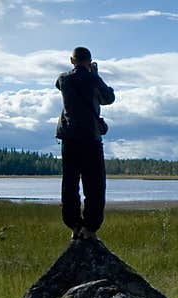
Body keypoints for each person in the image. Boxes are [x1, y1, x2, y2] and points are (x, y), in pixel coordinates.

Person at [55, 46, 115, 240]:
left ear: (72, 61)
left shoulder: (64, 78)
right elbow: (109, 98)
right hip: (91, 138)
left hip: (69, 139)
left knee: (70, 184)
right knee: (95, 185)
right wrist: (94, 74)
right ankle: (90, 228)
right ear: (90, 61)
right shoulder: (93, 78)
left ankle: (74, 226)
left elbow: (60, 84)